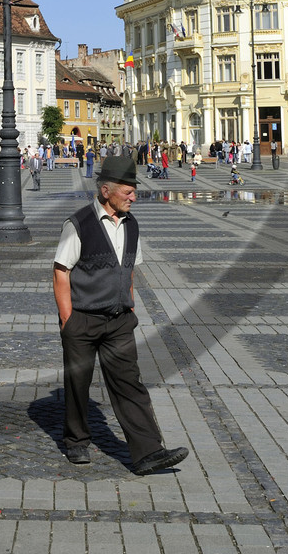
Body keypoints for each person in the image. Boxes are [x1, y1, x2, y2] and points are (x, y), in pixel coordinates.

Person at [53, 155, 189, 475]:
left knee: (130, 384)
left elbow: (129, 269)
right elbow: (61, 272)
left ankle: (147, 453)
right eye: (127, 191)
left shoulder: (132, 225)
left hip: (118, 321)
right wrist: (67, 320)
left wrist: (128, 303)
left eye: (133, 191)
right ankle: (76, 442)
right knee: (78, 383)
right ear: (106, 191)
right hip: (82, 319)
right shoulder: (78, 225)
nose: (133, 197)